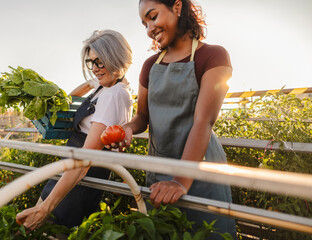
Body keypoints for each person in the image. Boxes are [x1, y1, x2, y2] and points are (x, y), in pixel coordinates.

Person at [121, 0, 236, 238]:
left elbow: (203, 122)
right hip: (160, 171)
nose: (149, 29)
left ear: (176, 7)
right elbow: (143, 116)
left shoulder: (213, 56)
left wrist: (181, 181)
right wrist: (129, 128)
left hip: (200, 172)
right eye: (144, 24)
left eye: (153, 17)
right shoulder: (150, 65)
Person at [16, 29, 133, 230]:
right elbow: (71, 96)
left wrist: (46, 208)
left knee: (55, 228)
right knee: (37, 226)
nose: (95, 68)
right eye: (91, 62)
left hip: (79, 178)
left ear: (116, 57)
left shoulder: (112, 95)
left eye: (100, 61)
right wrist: (91, 81)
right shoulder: (106, 87)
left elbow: (85, 159)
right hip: (70, 170)